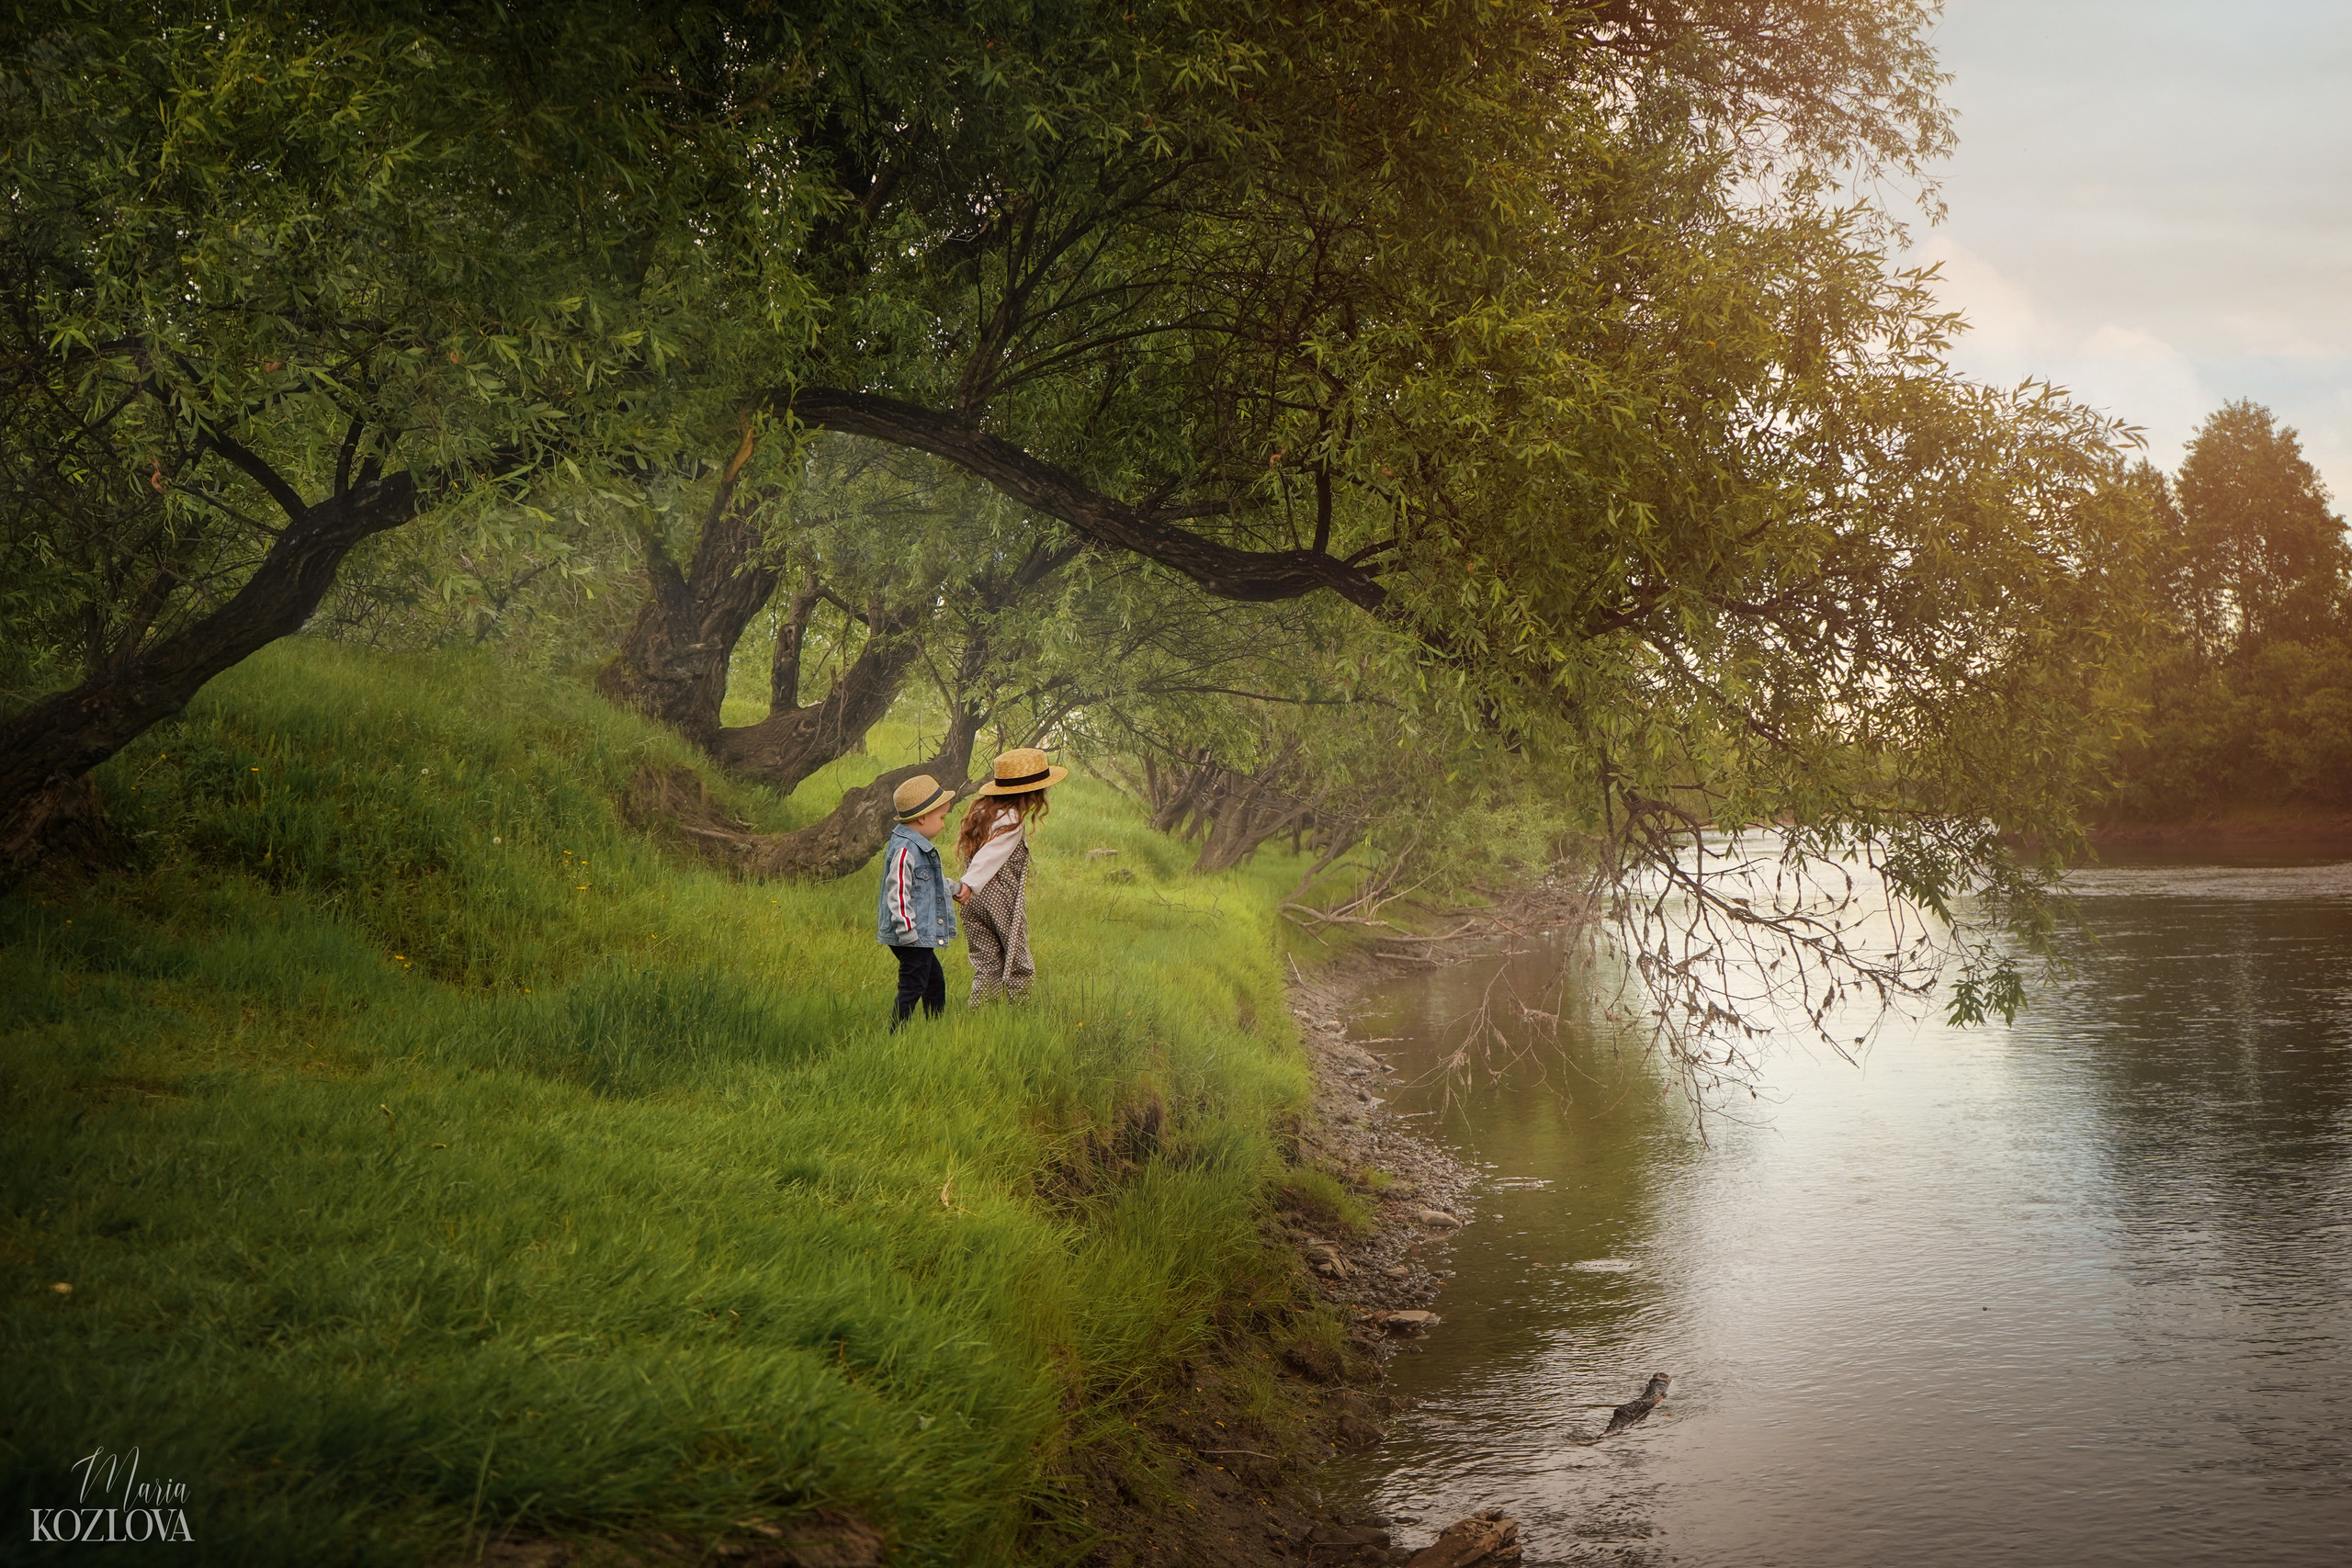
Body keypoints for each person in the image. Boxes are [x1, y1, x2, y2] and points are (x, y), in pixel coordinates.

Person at [955, 746, 1067, 1005]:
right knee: (1017, 958)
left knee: (986, 961)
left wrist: (968, 887)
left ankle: (979, 1012)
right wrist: (970, 884)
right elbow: (990, 855)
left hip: (974, 903)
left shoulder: (984, 814)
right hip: (999, 902)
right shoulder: (1011, 820)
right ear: (1032, 793)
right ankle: (1020, 1009)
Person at [877, 774, 961, 1030]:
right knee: (913, 984)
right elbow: (898, 890)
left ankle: (935, 1027)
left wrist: (956, 888)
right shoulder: (906, 850)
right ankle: (896, 1031)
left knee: (933, 980)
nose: (944, 825)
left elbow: (928, 884)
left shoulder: (915, 847)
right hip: (911, 934)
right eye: (941, 818)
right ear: (923, 818)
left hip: (915, 934)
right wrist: (906, 929)